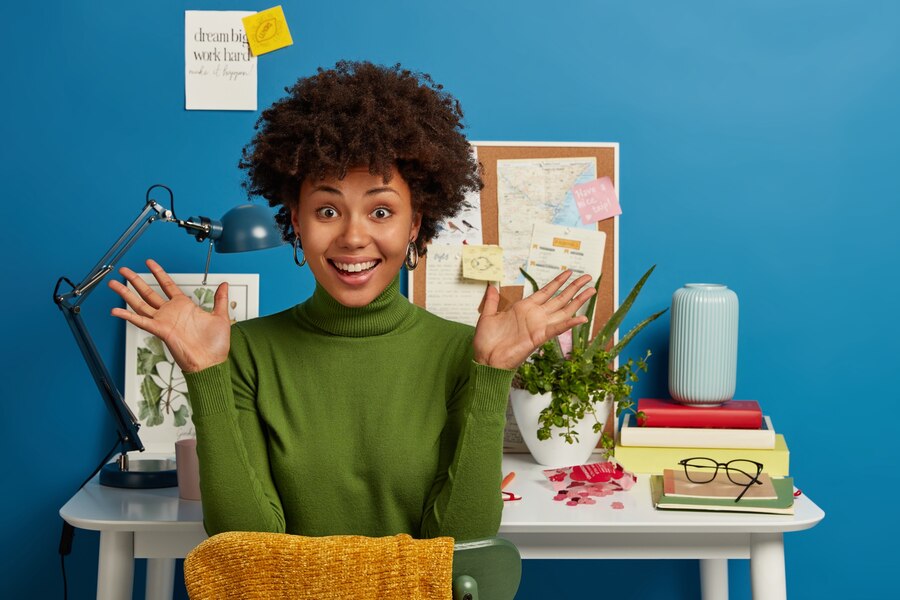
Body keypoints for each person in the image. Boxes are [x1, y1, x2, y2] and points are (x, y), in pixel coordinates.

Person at [110, 61, 594, 541]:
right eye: (327, 210)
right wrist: (204, 374)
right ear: (296, 222)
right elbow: (245, 545)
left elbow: (460, 546)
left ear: (415, 225)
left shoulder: (463, 353)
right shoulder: (244, 353)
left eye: (381, 211)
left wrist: (491, 374)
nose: (354, 237)